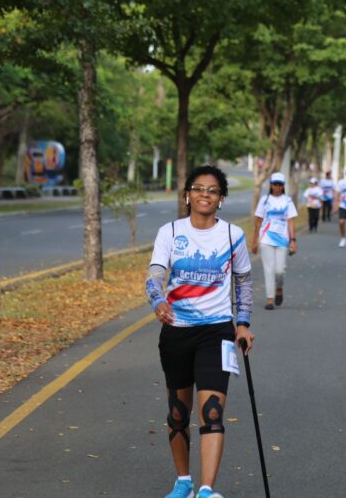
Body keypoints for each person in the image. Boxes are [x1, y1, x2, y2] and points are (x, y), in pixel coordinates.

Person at [145, 165, 254, 498]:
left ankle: (207, 490)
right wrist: (157, 300)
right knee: (178, 414)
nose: (205, 194)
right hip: (176, 332)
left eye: (212, 190)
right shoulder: (171, 231)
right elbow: (155, 274)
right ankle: (184, 482)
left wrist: (244, 322)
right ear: (187, 195)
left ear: (220, 199)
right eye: (198, 188)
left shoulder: (233, 235)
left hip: (217, 332)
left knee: (212, 413)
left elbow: (243, 280)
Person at [252, 172, 298, 309]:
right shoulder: (264, 200)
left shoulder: (287, 201)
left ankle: (279, 288)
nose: (276, 187)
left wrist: (293, 240)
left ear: (283, 186)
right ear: (271, 185)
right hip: (266, 238)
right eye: (274, 184)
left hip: (283, 240)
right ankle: (270, 299)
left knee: (279, 270)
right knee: (269, 269)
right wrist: (254, 241)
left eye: (279, 185)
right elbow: (258, 221)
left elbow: (290, 222)